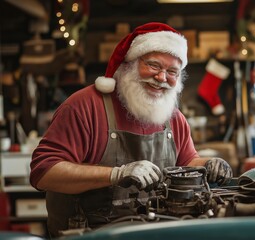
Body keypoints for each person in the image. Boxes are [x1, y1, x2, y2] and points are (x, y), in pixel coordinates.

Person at [30, 22, 233, 237]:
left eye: (172, 71)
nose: (162, 78)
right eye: (153, 65)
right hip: (90, 235)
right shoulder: (84, 107)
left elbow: (186, 163)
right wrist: (116, 174)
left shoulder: (173, 118)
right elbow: (44, 173)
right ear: (129, 64)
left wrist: (209, 165)